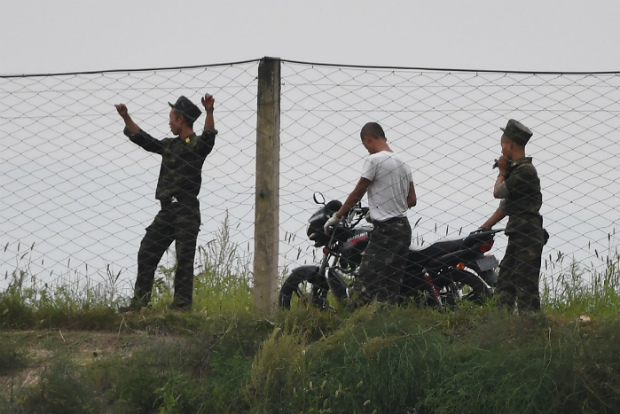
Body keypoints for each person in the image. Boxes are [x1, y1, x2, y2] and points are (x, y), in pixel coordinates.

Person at [114, 93, 217, 312]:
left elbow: (209, 137)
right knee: (147, 250)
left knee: (184, 259)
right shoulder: (169, 146)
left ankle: (181, 307)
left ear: (181, 119)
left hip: (187, 209)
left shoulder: (196, 146)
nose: (169, 122)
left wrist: (209, 111)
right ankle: (140, 303)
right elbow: (144, 139)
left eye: (171, 117)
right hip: (167, 210)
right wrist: (126, 117)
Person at [324, 122, 416, 307]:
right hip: (403, 229)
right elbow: (412, 200)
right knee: (390, 288)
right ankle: (386, 325)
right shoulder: (403, 162)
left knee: (364, 284)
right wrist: (383, 208)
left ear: (367, 140)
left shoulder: (374, 160)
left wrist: (338, 216)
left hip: (385, 232)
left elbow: (359, 190)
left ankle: (351, 324)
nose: (366, 149)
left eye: (365, 145)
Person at [479, 119, 547, 313]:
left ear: (510, 145)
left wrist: (502, 172)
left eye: (502, 144)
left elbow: (498, 192)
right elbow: (506, 206)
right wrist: (485, 227)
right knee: (505, 283)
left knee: (526, 286)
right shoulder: (517, 172)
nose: (501, 150)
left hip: (527, 234)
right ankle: (502, 323)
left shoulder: (525, 171)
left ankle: (530, 326)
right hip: (518, 233)